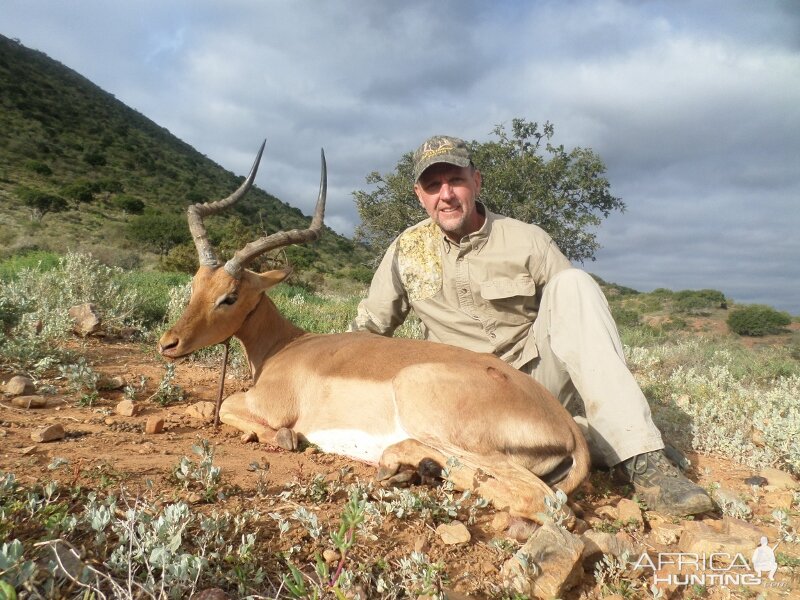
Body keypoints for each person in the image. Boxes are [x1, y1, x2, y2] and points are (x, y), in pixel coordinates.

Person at [349, 134, 714, 516]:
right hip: (461, 398)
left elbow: (575, 315)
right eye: (432, 185)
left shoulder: (528, 240)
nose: (446, 195)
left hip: (535, 386)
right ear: (419, 195)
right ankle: (589, 440)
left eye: (455, 180)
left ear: (477, 181)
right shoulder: (406, 250)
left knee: (575, 285)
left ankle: (641, 458)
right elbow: (369, 331)